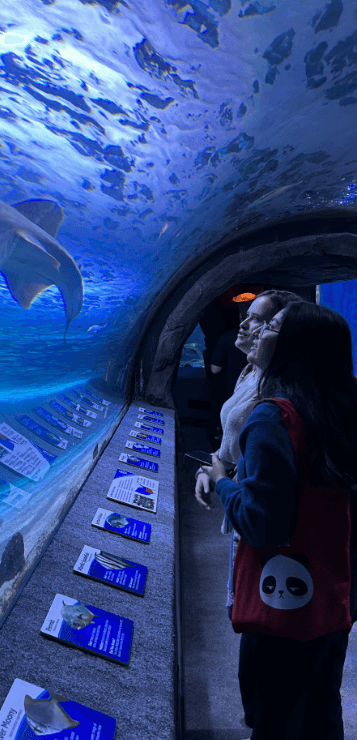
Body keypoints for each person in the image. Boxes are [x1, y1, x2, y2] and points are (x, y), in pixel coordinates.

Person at [201, 302, 357, 739]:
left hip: (283, 598)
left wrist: (222, 481)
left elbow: (261, 523)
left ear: (293, 345)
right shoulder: (344, 406)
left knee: (273, 713)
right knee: (322, 705)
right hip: (336, 590)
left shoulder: (273, 417)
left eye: (270, 325)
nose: (257, 331)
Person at [194, 290, 305, 618]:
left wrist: (222, 481)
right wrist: (209, 469)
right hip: (241, 499)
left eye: (258, 320)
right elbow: (234, 445)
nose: (243, 324)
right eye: (247, 316)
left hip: (254, 505)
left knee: (258, 606)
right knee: (243, 595)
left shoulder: (276, 394)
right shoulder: (249, 372)